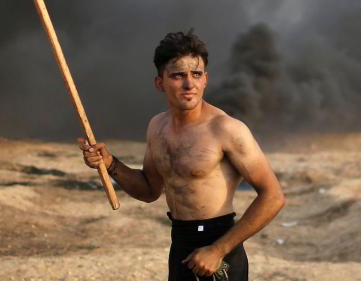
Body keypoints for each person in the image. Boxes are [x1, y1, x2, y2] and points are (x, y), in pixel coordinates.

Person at [79, 30, 285, 280]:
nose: (189, 84)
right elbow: (149, 190)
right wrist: (110, 164)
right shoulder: (157, 127)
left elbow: (273, 196)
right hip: (180, 244)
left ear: (205, 79)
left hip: (220, 249)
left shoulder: (227, 129)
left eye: (196, 74)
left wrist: (217, 250)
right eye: (178, 76)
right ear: (160, 82)